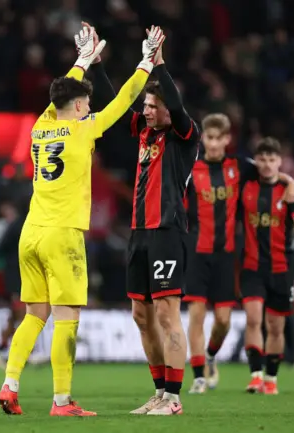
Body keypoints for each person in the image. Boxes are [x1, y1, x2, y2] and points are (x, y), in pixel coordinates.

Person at [0, 25, 165, 417]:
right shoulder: (81, 129)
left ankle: (10, 384)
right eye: (86, 102)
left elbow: (62, 93)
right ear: (76, 107)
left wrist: (82, 61)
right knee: (66, 319)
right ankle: (61, 401)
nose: (89, 107)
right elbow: (123, 102)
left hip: (31, 232)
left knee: (34, 315)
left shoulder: (41, 126)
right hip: (62, 235)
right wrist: (144, 63)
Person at [90, 25, 197, 415]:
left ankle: (174, 397)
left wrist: (159, 63)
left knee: (168, 314)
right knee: (140, 314)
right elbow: (111, 101)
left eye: (153, 106)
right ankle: (158, 391)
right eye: (147, 106)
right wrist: (95, 64)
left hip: (167, 232)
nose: (146, 110)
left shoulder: (185, 135)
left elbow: (179, 107)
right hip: (139, 234)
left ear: (167, 108)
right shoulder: (144, 133)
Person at [182, 114, 294, 394]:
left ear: (226, 140)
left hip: (226, 256)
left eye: (217, 138)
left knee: (223, 320)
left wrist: (290, 182)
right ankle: (198, 376)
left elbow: (268, 171)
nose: (212, 144)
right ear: (203, 139)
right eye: (207, 138)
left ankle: (210, 356)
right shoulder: (191, 170)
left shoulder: (239, 167)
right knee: (196, 315)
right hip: (197, 252)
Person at [238, 137, 294, 395]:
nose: (267, 164)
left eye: (272, 159)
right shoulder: (245, 186)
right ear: (256, 161)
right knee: (253, 318)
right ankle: (255, 376)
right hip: (251, 266)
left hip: (282, 268)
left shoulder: (289, 192)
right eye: (263, 159)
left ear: (280, 162)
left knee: (275, 326)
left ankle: (271, 377)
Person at [0, 200, 27, 368]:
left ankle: (0, 348)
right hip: (15, 276)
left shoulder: (30, 224)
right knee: (22, 314)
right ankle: (19, 351)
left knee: (15, 316)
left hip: (27, 276)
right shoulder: (17, 226)